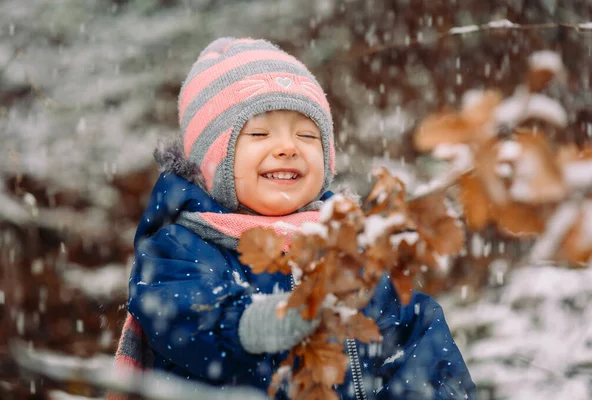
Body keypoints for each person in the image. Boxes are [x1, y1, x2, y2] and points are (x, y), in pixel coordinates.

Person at [113, 37, 477, 399]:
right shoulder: (181, 244)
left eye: (307, 135)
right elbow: (179, 314)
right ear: (211, 160)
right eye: (259, 133)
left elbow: (419, 347)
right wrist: (255, 324)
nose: (288, 147)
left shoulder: (347, 249)